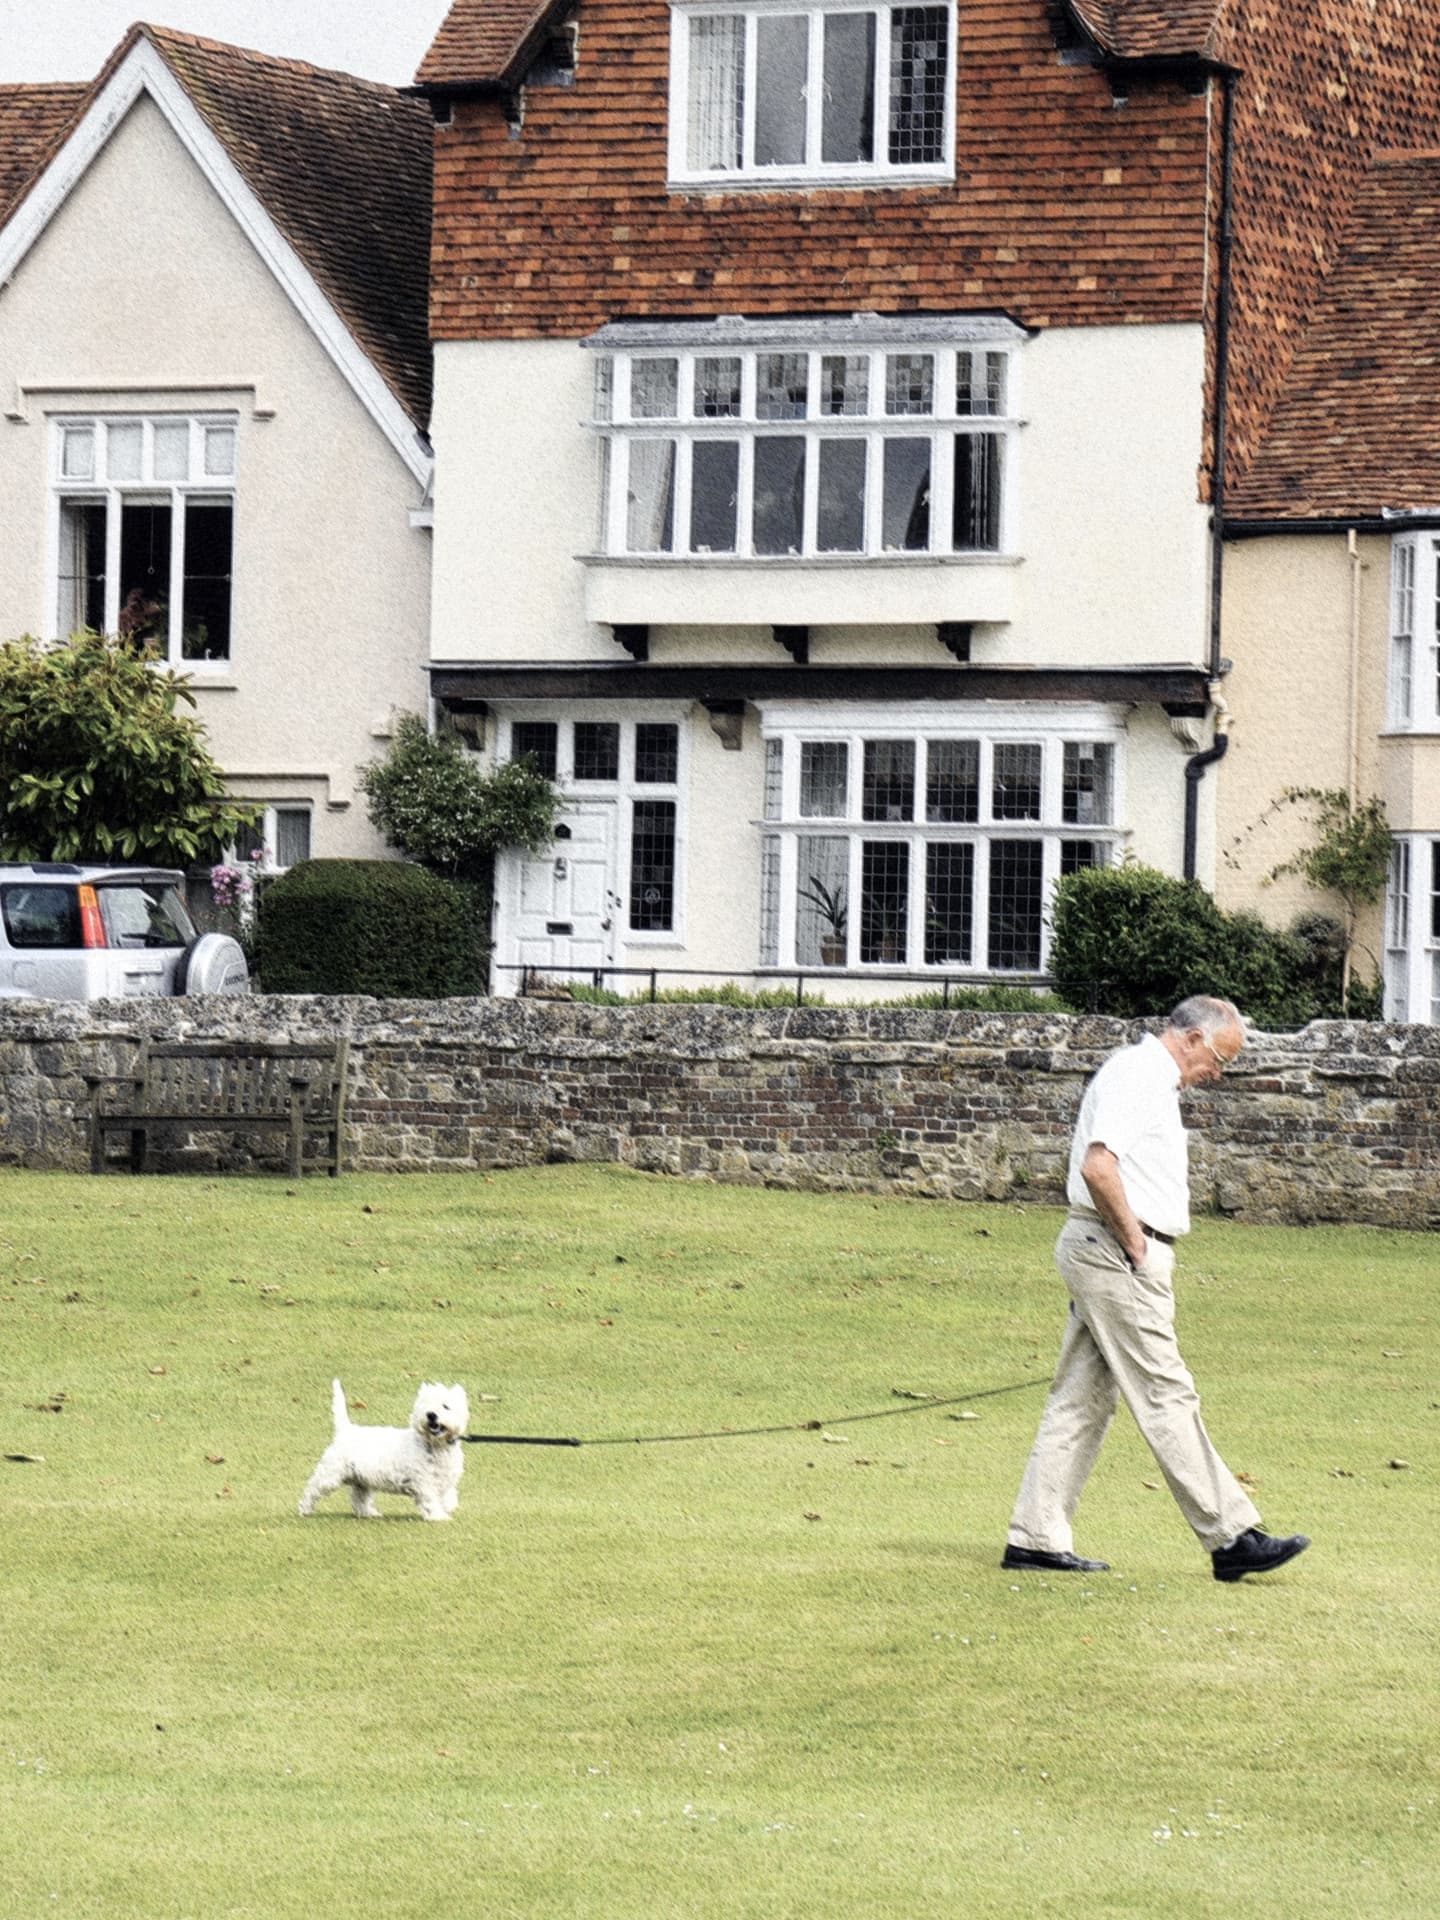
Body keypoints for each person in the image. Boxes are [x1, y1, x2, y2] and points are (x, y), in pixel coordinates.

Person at [1002, 995, 1310, 1583]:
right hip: (1115, 1252)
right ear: (1192, 1038)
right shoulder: (1141, 1074)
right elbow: (1099, 1167)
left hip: (1106, 1248)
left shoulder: (1149, 1078)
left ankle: (1036, 1537)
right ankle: (1230, 1535)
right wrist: (1136, 1245)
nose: (1217, 1073)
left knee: (1082, 1397)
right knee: (1167, 1392)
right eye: (1219, 1058)